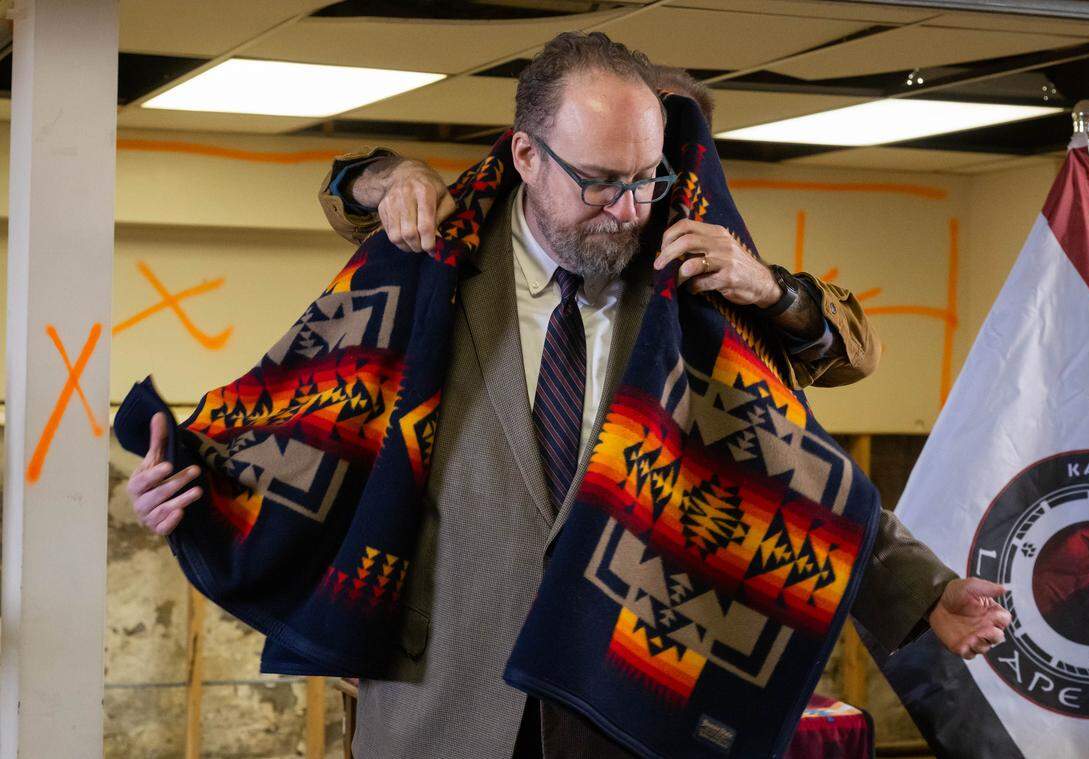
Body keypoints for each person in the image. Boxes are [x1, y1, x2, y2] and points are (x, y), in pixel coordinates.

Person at [127, 33, 1011, 758]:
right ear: (524, 155)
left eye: (644, 181)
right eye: (598, 182)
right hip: (439, 714)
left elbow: (791, 463)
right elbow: (309, 411)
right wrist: (193, 485)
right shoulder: (437, 270)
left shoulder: (691, 301)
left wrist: (919, 590)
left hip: (621, 712)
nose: (626, 210)